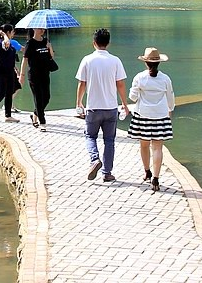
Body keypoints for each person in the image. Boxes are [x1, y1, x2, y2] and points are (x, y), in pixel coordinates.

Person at [75, 28, 129, 182]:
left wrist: (79, 102)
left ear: (94, 43)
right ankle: (107, 173)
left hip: (93, 107)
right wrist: (124, 104)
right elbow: (120, 85)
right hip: (111, 108)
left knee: (90, 136)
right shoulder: (115, 60)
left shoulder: (87, 60)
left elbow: (82, 84)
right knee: (110, 141)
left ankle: (94, 160)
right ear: (108, 43)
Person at [126, 47, 175, 192]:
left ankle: (147, 171)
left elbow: (133, 98)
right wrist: (170, 110)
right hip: (160, 115)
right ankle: (156, 178)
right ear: (159, 63)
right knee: (158, 147)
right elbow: (170, 98)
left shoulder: (139, 77)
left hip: (143, 115)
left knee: (144, 145)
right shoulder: (165, 78)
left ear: (145, 63)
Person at [19, 27, 54, 132]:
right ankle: (42, 122)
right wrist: (22, 75)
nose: (42, 30)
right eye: (40, 28)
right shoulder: (30, 43)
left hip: (45, 74)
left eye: (43, 29)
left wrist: (50, 48)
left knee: (46, 97)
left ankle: (35, 113)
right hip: (34, 75)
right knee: (38, 98)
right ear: (34, 29)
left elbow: (51, 57)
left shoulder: (45, 41)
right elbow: (25, 60)